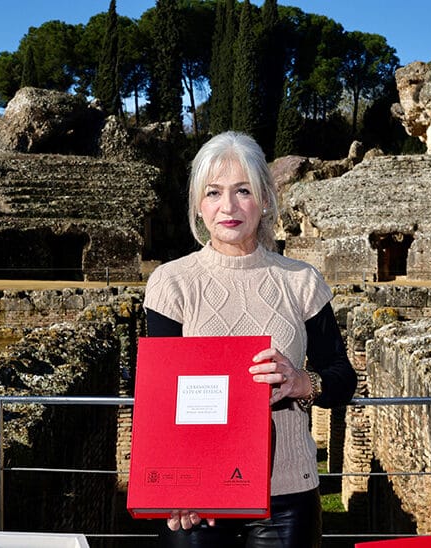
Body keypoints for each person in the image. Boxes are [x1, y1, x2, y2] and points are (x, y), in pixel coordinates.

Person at [143, 131, 357, 548]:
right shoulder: (171, 283)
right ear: (198, 204)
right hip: (197, 497)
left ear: (264, 200)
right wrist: (173, 486)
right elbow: (161, 401)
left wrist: (302, 382)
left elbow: (342, 377)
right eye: (213, 192)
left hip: (287, 495)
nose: (228, 206)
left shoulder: (301, 281)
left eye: (243, 191)